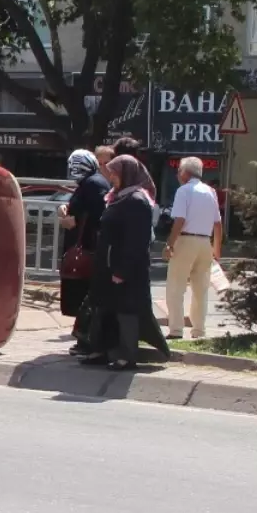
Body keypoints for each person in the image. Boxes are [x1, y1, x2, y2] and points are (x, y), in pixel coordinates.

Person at [85, 155, 169, 369]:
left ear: (128, 174)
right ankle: (101, 351)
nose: (111, 176)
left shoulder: (137, 201)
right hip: (108, 264)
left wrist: (122, 270)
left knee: (126, 311)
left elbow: (136, 241)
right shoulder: (118, 197)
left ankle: (127, 356)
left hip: (126, 268)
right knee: (104, 307)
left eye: (115, 172)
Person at [163, 156, 223, 340]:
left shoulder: (184, 191)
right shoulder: (210, 191)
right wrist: (217, 250)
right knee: (200, 288)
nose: (178, 174)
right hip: (205, 242)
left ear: (186, 173)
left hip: (186, 240)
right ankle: (199, 330)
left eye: (179, 171)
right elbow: (218, 224)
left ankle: (176, 329)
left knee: (176, 286)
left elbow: (179, 220)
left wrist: (169, 244)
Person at [56, 149, 110, 344]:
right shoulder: (90, 183)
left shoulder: (93, 184)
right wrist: (67, 211)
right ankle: (84, 336)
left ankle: (87, 338)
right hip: (85, 248)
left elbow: (96, 215)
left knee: (85, 295)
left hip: (88, 249)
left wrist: (72, 221)